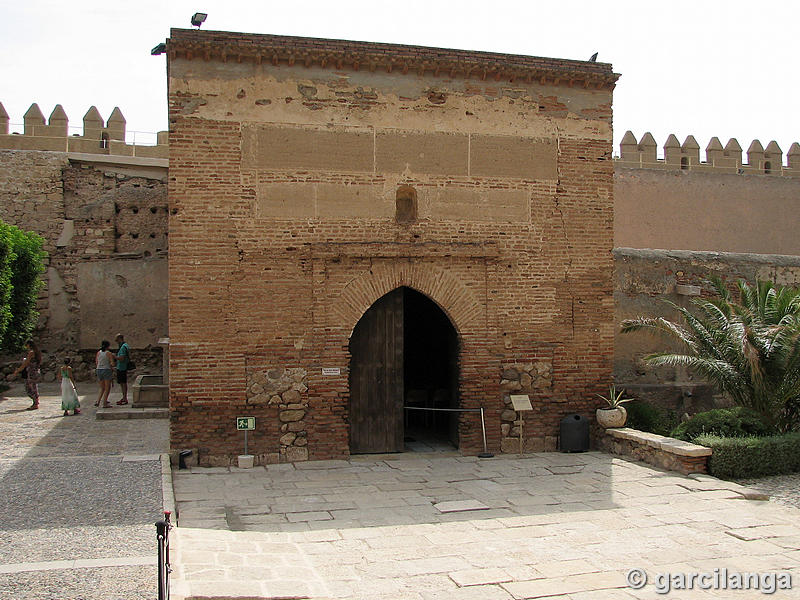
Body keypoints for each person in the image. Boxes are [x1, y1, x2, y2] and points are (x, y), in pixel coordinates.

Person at [10, 339, 42, 410]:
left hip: (31, 372)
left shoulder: (31, 353)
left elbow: (26, 363)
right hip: (35, 371)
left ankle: (35, 402)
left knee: (29, 387)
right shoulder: (37, 352)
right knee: (34, 387)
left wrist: (18, 370)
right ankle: (36, 402)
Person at [95, 340, 116, 408]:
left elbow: (97, 362)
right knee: (107, 387)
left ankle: (98, 401)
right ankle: (104, 402)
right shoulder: (108, 353)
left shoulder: (98, 353)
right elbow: (112, 363)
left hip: (99, 370)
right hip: (106, 370)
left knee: (102, 387)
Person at [114, 333, 131, 405]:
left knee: (123, 383)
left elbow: (122, 358)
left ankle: (124, 398)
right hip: (122, 367)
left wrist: (114, 357)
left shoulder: (123, 347)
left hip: (122, 367)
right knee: (122, 383)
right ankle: (124, 397)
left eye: (117, 340)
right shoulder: (125, 345)